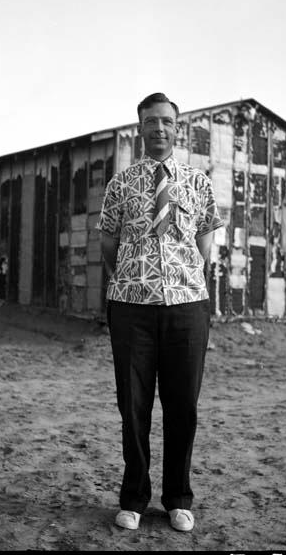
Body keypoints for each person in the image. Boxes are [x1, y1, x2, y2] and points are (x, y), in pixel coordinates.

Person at [96, 92, 224, 532]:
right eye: (150, 121)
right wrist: (136, 278)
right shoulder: (121, 184)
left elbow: (204, 246)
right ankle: (133, 498)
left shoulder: (198, 182)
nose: (159, 129)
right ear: (140, 128)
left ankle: (177, 499)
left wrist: (180, 279)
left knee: (182, 405)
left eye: (166, 121)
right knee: (133, 406)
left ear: (177, 126)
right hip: (132, 306)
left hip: (187, 306)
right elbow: (109, 245)